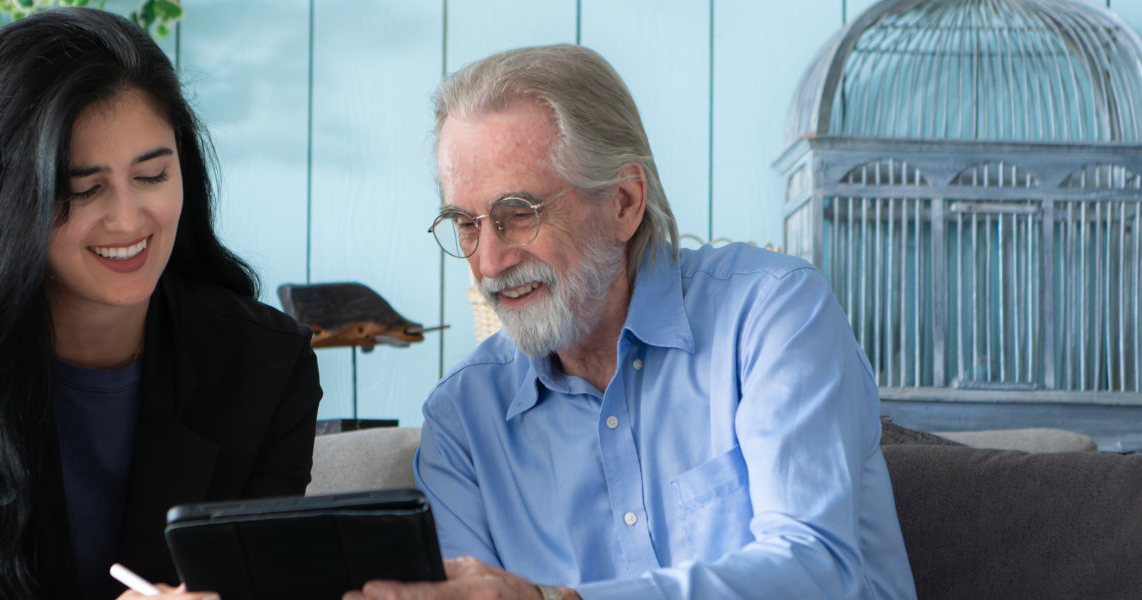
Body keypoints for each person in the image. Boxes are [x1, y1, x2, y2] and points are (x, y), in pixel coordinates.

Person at [348, 45, 916, 599]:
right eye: (464, 224)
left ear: (623, 201)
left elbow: (817, 574)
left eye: (517, 215)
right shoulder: (462, 421)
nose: (489, 264)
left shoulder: (774, 314)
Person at [0, 8, 322, 600]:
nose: (126, 218)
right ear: (6, 197)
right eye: (84, 188)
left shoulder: (263, 367)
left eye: (152, 176)